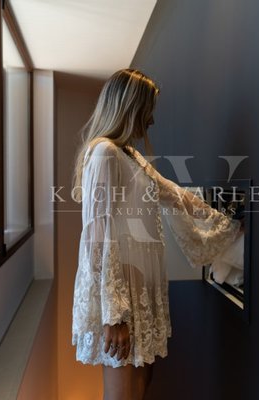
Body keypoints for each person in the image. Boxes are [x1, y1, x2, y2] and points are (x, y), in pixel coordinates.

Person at [71, 68, 243, 400]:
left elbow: (174, 194)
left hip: (140, 292)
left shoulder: (130, 155)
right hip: (121, 295)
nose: (151, 120)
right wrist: (113, 316)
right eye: (148, 109)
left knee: (140, 387)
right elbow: (96, 237)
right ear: (130, 107)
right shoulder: (104, 153)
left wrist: (225, 222)